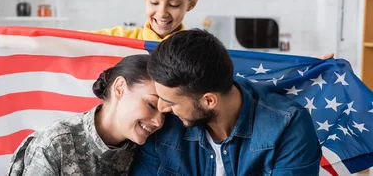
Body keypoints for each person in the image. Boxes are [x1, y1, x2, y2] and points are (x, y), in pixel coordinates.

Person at [131, 29, 322, 175]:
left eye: (170, 102)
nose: (162, 109)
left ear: (208, 101)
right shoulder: (162, 125)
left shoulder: (288, 126)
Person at [7, 54, 164, 176]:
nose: (158, 121)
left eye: (165, 113)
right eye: (151, 105)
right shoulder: (55, 144)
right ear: (120, 88)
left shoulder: (144, 150)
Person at [88, 0, 335, 59]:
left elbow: (251, 70)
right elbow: (67, 43)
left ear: (191, 3)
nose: (162, 12)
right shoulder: (118, 37)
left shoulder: (198, 49)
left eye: (174, 4)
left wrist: (307, 66)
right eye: (154, 1)